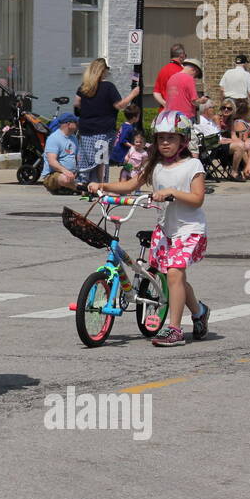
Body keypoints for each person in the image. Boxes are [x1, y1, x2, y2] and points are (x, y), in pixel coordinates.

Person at [87, 110, 209, 348]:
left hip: (190, 229)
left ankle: (174, 329)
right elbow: (132, 184)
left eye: (171, 138)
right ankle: (199, 311)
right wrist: (102, 185)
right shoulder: (155, 165)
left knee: (174, 274)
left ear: (183, 140)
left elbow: (197, 198)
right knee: (176, 279)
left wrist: (172, 192)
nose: (165, 142)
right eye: (161, 138)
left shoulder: (193, 164)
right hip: (165, 229)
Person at [74, 57, 138, 184]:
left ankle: (85, 182)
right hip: (103, 129)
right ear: (102, 71)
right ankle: (100, 184)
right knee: (101, 160)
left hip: (86, 129)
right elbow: (119, 105)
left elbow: (77, 104)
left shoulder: (83, 87)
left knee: (87, 159)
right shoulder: (108, 87)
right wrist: (133, 94)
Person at [41, 113, 80, 194]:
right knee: (64, 179)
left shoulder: (74, 138)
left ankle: (72, 188)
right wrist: (66, 171)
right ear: (68, 124)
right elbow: (52, 162)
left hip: (71, 174)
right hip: (53, 175)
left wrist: (78, 171)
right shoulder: (54, 138)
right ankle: (80, 189)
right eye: (75, 122)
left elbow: (77, 158)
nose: (77, 124)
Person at [152, 44, 187, 109]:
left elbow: (156, 92)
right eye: (185, 55)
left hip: (164, 112)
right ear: (181, 55)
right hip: (179, 112)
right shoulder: (182, 72)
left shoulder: (163, 70)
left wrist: (164, 104)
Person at [109, 104, 140, 169]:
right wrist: (133, 146)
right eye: (138, 116)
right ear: (134, 118)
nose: (139, 118)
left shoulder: (125, 124)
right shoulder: (128, 128)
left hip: (117, 150)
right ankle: (126, 176)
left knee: (127, 165)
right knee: (127, 166)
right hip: (120, 152)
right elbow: (123, 140)